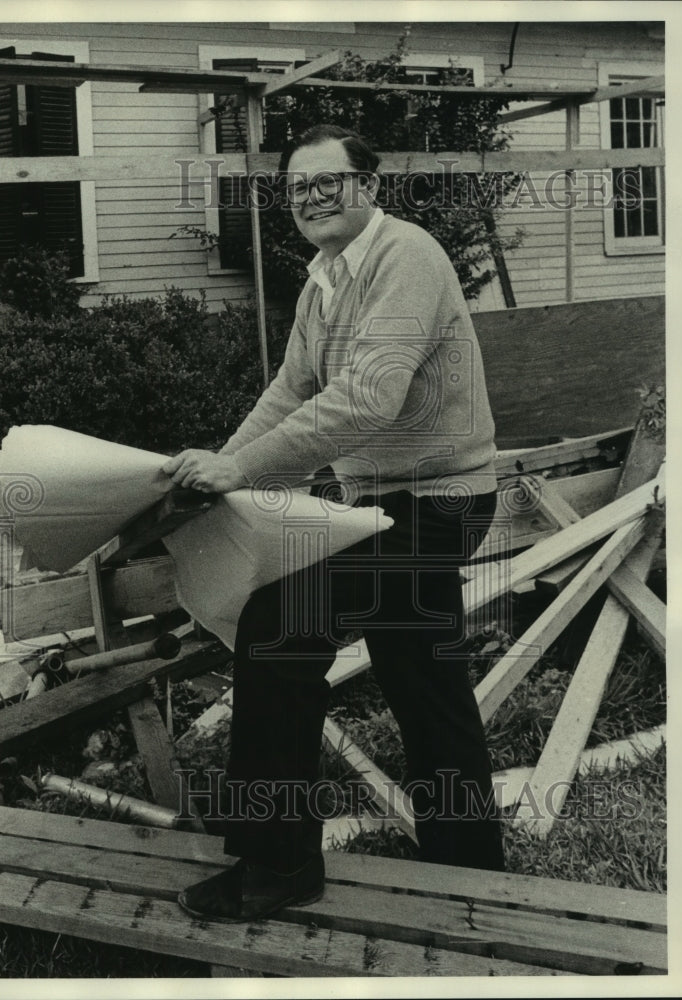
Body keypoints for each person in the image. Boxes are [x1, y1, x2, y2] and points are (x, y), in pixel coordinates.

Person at [164, 124, 504, 923]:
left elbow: (365, 396)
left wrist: (239, 471)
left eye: (328, 182)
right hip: (380, 508)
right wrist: (218, 468)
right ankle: (472, 864)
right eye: (297, 189)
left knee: (280, 623)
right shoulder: (324, 278)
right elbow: (290, 390)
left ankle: (277, 863)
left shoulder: (406, 256)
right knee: (424, 677)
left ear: (369, 187)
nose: (311, 199)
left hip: (442, 501)